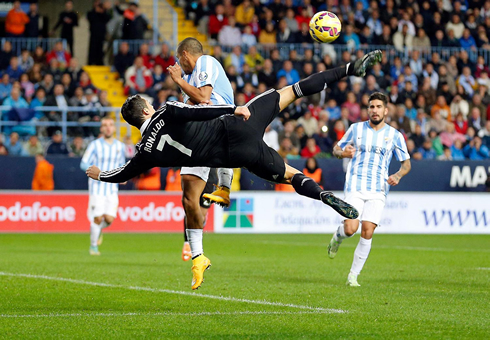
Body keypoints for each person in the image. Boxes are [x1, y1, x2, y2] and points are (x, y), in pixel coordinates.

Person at [86, 50, 383, 289]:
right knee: (293, 90)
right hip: (238, 126)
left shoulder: (145, 152)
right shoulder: (166, 111)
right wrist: (232, 109)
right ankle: (348, 70)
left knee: (289, 175)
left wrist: (100, 174)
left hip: (234, 156)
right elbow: (199, 107)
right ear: (148, 110)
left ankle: (319, 196)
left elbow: (123, 173)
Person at [327, 92, 412, 287]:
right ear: (368, 110)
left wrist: (398, 175)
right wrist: (342, 154)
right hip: (355, 185)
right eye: (372, 107)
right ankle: (338, 236)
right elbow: (336, 149)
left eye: (378, 107)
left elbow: (406, 164)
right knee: (351, 228)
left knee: (367, 231)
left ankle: (352, 276)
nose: (375, 110)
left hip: (378, 189)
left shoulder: (394, 135)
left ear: (386, 110)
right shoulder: (355, 129)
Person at [167, 38, 235, 262]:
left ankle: (224, 183)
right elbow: (193, 105)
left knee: (201, 200)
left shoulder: (205, 62)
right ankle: (194, 251)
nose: (179, 63)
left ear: (186, 55)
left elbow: (204, 98)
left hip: (219, 123)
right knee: (188, 198)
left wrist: (178, 81)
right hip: (202, 132)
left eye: (179, 58)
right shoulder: (188, 78)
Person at [80, 117, 126, 255]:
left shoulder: (120, 146)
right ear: (101, 128)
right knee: (98, 217)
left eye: (110, 125)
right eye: (105, 125)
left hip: (112, 189)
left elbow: (122, 165)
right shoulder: (95, 145)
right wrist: (94, 172)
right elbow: (83, 163)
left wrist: (123, 176)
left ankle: (98, 230)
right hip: (97, 189)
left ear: (114, 128)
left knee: (109, 219)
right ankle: (93, 247)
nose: (108, 127)